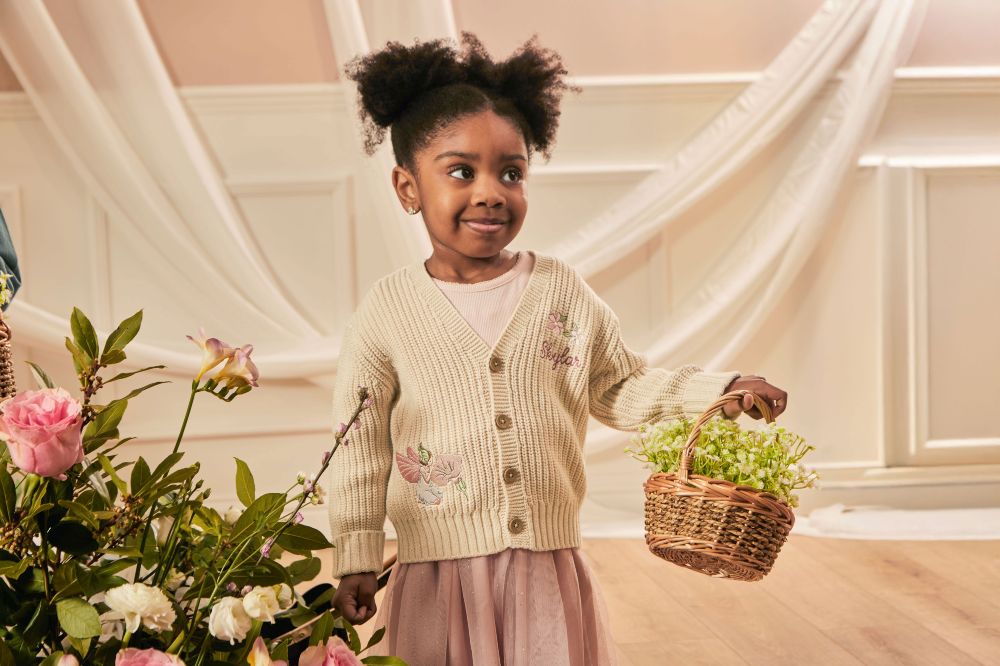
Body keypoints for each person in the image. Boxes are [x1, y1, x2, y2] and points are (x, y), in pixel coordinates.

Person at [327, 32, 789, 665]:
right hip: (438, 572)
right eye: (462, 171)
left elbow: (619, 386)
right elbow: (359, 444)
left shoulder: (559, 291)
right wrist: (353, 553)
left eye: (510, 173)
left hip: (545, 566)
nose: (491, 191)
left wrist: (720, 388)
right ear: (408, 188)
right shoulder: (386, 312)